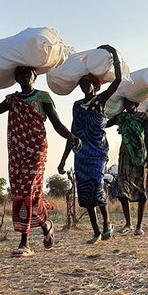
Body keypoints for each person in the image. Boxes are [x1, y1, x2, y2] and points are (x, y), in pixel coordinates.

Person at [0, 66, 81, 256]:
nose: (25, 76)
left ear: (35, 76)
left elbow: (56, 123)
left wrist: (71, 137)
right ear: (15, 78)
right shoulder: (12, 100)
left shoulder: (43, 97)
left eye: (28, 73)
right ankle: (45, 225)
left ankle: (24, 243)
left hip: (36, 151)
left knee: (27, 191)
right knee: (22, 193)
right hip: (17, 153)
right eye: (20, 74)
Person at [58, 45, 123, 243]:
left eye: (89, 84)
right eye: (82, 84)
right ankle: (95, 231)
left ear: (96, 86)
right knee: (85, 194)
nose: (85, 87)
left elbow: (118, 80)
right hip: (81, 153)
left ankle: (107, 224)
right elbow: (72, 133)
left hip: (98, 152)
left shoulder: (100, 101)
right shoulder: (77, 106)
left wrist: (114, 53)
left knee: (97, 188)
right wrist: (63, 160)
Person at [108, 98, 148, 236]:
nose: (127, 105)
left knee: (141, 191)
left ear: (136, 103)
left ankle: (139, 225)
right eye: (125, 102)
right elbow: (105, 123)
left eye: (129, 102)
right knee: (122, 189)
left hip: (140, 155)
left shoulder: (144, 117)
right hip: (125, 155)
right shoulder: (122, 117)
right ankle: (128, 223)